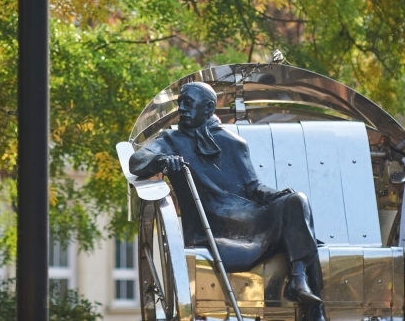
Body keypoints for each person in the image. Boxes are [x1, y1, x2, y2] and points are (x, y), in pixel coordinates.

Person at [130, 81, 325, 321]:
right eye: (180, 102)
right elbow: (137, 161)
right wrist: (161, 161)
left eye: (188, 102)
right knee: (300, 222)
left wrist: (278, 196)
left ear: (208, 107)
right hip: (211, 224)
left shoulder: (233, 143)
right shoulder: (170, 139)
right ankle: (313, 307)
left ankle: (298, 277)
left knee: (297, 200)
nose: (181, 108)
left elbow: (253, 187)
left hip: (249, 216)